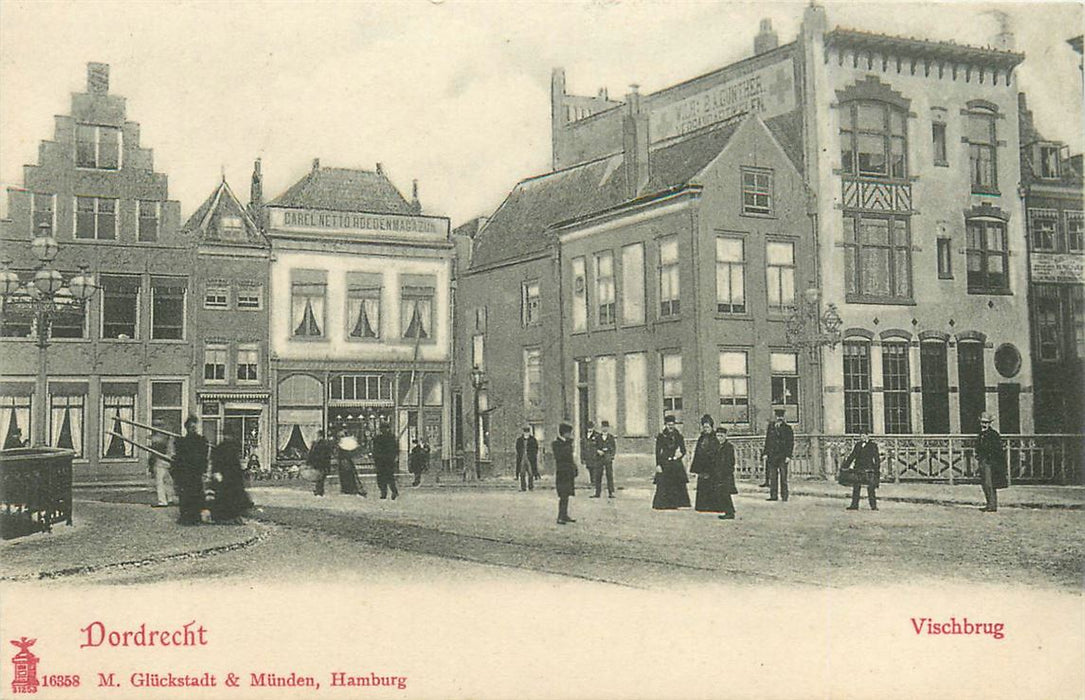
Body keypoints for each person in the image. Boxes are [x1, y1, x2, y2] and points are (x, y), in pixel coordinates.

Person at [208, 427, 254, 524]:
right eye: (226, 435)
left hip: (232, 476)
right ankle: (225, 517)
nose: (228, 437)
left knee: (233, 496)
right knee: (226, 496)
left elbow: (235, 463)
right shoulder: (221, 448)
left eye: (229, 436)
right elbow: (216, 462)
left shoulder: (232, 447)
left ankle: (233, 517)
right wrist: (216, 472)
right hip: (225, 476)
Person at [172, 415, 208, 525]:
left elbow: (204, 456)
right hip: (185, 473)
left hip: (195, 472)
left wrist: (203, 469)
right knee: (186, 495)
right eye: (191, 427)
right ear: (187, 428)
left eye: (194, 427)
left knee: (195, 495)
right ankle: (186, 517)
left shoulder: (201, 441)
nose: (193, 429)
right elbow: (178, 458)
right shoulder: (181, 441)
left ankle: (195, 517)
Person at [652, 415, 690, 509]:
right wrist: (658, 465)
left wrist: (680, 455)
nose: (671, 427)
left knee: (676, 483)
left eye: (672, 425)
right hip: (665, 463)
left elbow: (683, 450)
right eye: (669, 425)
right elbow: (657, 451)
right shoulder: (661, 436)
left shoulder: (679, 436)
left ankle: (675, 503)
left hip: (675, 463)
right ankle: (664, 504)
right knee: (664, 483)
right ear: (665, 425)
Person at [975, 412, 1008, 512]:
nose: (983, 424)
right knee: (985, 483)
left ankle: (992, 505)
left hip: (991, 462)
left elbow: (997, 449)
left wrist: (992, 460)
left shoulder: (993, 434)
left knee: (990, 483)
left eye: (986, 423)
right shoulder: (981, 434)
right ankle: (989, 503)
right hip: (983, 460)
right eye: (982, 422)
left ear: (989, 424)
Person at [841, 432, 880, 511]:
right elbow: (852, 456)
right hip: (858, 468)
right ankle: (854, 505)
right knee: (856, 487)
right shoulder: (858, 445)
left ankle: (873, 506)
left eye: (864, 435)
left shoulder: (873, 445)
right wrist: (845, 465)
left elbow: (876, 458)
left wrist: (876, 468)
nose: (862, 437)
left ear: (867, 435)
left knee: (871, 488)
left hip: (868, 469)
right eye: (861, 436)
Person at [762, 409, 794, 502]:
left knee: (783, 477)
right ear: (775, 417)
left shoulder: (788, 428)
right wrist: (765, 453)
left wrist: (788, 456)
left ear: (783, 417)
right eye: (777, 416)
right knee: (773, 477)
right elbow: (767, 441)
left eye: (781, 416)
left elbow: (790, 443)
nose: (779, 418)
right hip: (772, 456)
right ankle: (773, 496)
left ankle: (784, 496)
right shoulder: (771, 427)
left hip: (783, 457)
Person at [552, 422, 578, 524]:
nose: (570, 435)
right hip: (562, 473)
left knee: (566, 494)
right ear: (564, 433)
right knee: (563, 495)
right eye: (569, 433)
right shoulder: (556, 444)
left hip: (568, 473)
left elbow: (570, 458)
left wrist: (574, 468)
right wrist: (568, 444)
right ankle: (560, 517)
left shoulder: (567, 443)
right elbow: (560, 457)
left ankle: (565, 515)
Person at [148, 418, 175, 507]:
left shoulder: (160, 437)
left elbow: (159, 445)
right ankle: (170, 498)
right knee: (168, 480)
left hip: (161, 460)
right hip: (166, 460)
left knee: (160, 480)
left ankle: (162, 501)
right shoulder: (166, 435)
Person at [372, 421, 399, 500]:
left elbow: (394, 449)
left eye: (385, 428)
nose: (384, 430)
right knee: (385, 477)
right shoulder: (389, 438)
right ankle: (387, 492)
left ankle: (390, 492)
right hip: (384, 461)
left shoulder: (383, 438)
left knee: (386, 477)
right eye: (383, 428)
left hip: (385, 461)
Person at [715, 425, 738, 520]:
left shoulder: (729, 447)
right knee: (721, 493)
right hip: (718, 473)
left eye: (721, 436)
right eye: (718, 436)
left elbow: (731, 461)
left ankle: (730, 512)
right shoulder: (717, 446)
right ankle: (728, 511)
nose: (719, 438)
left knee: (725, 493)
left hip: (726, 474)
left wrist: (727, 471)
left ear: (725, 436)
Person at [336, 429, 366, 496]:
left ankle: (348, 489)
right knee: (350, 475)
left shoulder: (342, 444)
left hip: (343, 462)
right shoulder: (347, 444)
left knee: (345, 475)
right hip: (348, 461)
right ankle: (351, 488)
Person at [592, 420, 617, 498]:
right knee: (598, 475)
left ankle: (611, 493)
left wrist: (611, 456)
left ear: (608, 428)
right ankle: (597, 493)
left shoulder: (611, 437)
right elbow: (594, 447)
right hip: (599, 459)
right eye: (603, 427)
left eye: (606, 427)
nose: (604, 429)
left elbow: (614, 448)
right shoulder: (598, 437)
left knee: (609, 475)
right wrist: (598, 451)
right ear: (601, 428)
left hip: (608, 458)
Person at [307, 429, 335, 496]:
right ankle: (318, 490)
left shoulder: (323, 443)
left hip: (321, 463)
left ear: (320, 435)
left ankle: (319, 491)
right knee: (319, 477)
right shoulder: (316, 443)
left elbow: (326, 454)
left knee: (320, 477)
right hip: (319, 463)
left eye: (318, 435)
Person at [515, 426, 539, 492]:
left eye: (527, 432)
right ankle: (523, 487)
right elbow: (517, 448)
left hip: (530, 458)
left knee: (531, 473)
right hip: (522, 457)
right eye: (525, 432)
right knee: (522, 473)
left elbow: (536, 448)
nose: (526, 433)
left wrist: (533, 455)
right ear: (523, 432)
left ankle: (531, 487)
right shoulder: (519, 440)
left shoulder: (533, 440)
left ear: (529, 432)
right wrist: (520, 454)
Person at [581, 420, 600, 489]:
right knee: (590, 468)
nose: (590, 429)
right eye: (589, 427)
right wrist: (583, 457)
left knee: (594, 468)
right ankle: (592, 481)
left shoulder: (597, 435)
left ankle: (594, 482)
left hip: (594, 455)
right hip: (588, 455)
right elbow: (583, 447)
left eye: (591, 427)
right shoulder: (584, 436)